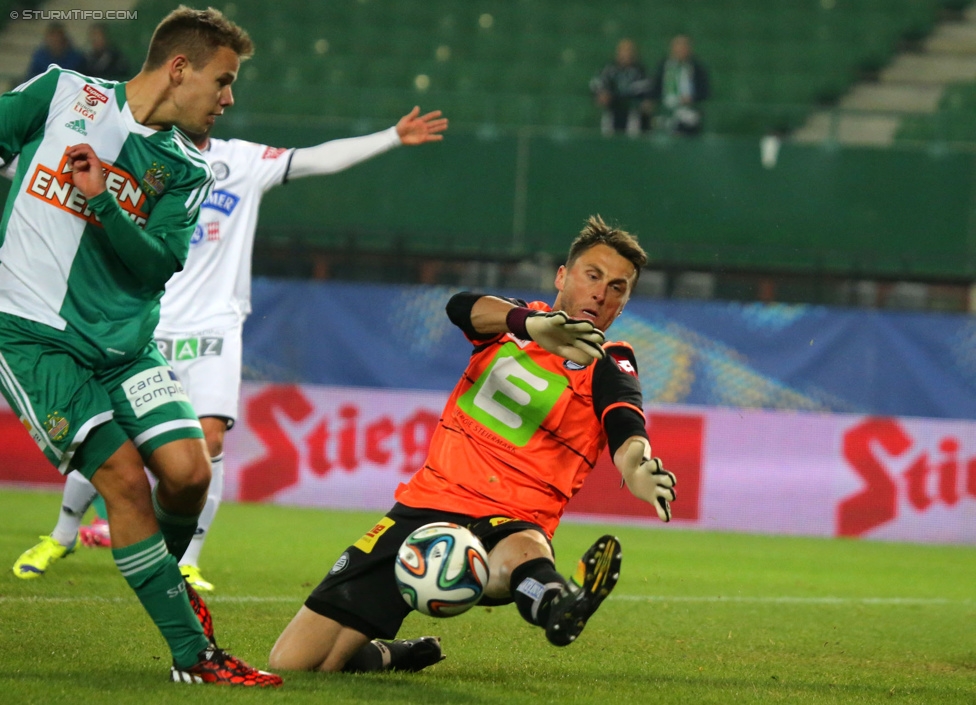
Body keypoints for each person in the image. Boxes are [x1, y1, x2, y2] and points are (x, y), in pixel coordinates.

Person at [13, 106, 450, 594]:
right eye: (216, 84)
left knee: (210, 440)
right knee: (112, 435)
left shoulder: (242, 162)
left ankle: (188, 560)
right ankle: (62, 534)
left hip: (215, 328)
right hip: (147, 321)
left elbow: (315, 159)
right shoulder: (139, 158)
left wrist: (390, 135)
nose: (221, 99)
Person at [0, 5, 283, 687]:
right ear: (179, 68)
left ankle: (164, 581)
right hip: (34, 336)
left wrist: (102, 200)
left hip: (125, 347)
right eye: (222, 80)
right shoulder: (62, 93)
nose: (229, 98)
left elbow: (155, 262)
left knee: (189, 473)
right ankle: (194, 651)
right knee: (124, 478)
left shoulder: (186, 169)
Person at [268, 216, 678, 673]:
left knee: (518, 555)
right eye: (593, 276)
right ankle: (392, 654)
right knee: (295, 663)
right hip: (425, 507)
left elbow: (625, 423)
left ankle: (558, 604)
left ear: (623, 304)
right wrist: (532, 324)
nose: (602, 294)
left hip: (512, 519)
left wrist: (636, 466)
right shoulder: (511, 322)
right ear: (563, 276)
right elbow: (461, 306)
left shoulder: (611, 361)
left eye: (618, 287)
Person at [647, 34, 710, 136]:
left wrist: (692, 98)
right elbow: (655, 87)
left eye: (684, 46)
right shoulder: (664, 66)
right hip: (665, 111)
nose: (681, 49)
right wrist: (650, 100)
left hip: (688, 112)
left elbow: (705, 92)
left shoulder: (697, 69)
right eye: (678, 46)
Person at [590, 38, 653, 137]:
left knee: (631, 139)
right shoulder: (609, 69)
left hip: (632, 112)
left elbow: (641, 88)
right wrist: (601, 93)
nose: (625, 54)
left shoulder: (640, 71)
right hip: (611, 111)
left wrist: (616, 94)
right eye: (622, 51)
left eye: (628, 51)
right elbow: (596, 83)